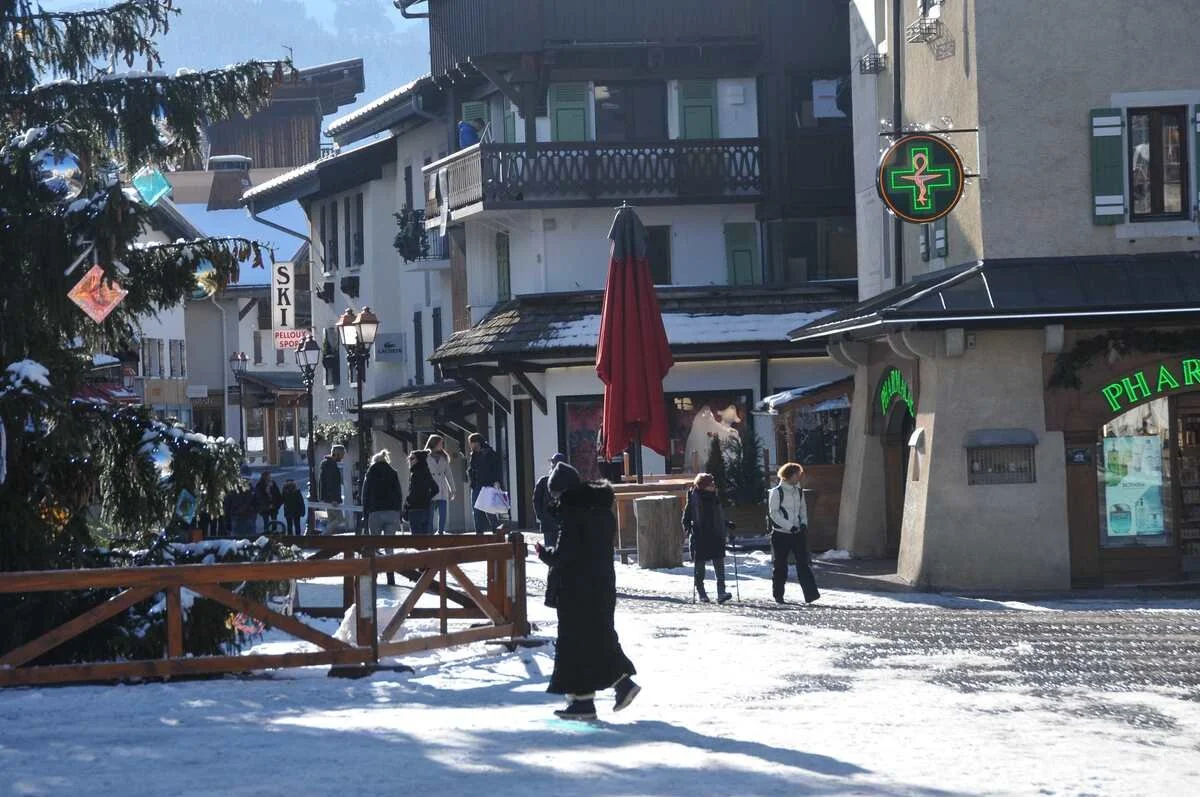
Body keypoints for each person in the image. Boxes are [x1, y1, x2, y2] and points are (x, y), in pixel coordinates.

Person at [536, 462, 640, 721]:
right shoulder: (601, 509)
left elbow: (565, 555)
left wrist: (544, 555)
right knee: (598, 637)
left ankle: (587, 700)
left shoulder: (572, 513)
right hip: (602, 585)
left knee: (576, 644)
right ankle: (612, 689)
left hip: (576, 589)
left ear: (560, 492)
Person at [767, 462, 820, 605]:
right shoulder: (776, 492)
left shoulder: (799, 491)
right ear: (789, 475)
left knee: (803, 564)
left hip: (798, 533)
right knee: (780, 566)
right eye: (797, 474)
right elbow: (774, 514)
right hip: (781, 534)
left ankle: (811, 595)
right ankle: (778, 595)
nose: (799, 476)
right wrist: (790, 527)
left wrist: (803, 524)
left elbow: (803, 509)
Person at [682, 473, 733, 604]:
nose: (714, 485)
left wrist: (726, 523)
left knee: (719, 565)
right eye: (711, 484)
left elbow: (717, 516)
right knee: (700, 567)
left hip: (716, 534)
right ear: (703, 486)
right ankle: (701, 592)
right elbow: (686, 519)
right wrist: (690, 530)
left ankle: (721, 592)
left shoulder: (715, 498)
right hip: (700, 536)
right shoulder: (694, 499)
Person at [467, 432, 504, 533]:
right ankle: (479, 532)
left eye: (471, 443)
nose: (470, 445)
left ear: (476, 443)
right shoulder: (473, 454)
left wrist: (496, 481)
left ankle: (496, 530)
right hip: (476, 485)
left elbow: (496, 468)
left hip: (487, 485)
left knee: (489, 509)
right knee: (476, 510)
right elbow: (472, 469)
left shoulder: (489, 453)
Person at [362, 450, 404, 534]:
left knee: (375, 543)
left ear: (374, 461)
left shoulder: (370, 473)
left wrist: (365, 514)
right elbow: (399, 495)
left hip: (375, 512)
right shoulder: (393, 473)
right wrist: (399, 513)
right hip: (392, 512)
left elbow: (365, 495)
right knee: (389, 543)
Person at [533, 453, 567, 548]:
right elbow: (536, 501)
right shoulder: (543, 481)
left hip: (564, 524)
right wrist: (541, 516)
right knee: (551, 550)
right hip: (548, 524)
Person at [425, 434, 456, 534]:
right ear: (434, 443)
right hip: (430, 490)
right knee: (430, 516)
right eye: (440, 443)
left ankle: (441, 532)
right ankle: (429, 535)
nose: (442, 445)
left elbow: (449, 474)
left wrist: (453, 489)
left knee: (443, 515)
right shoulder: (425, 457)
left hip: (442, 489)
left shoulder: (444, 457)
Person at [405, 450, 439, 534]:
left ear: (419, 460)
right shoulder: (426, 472)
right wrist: (427, 497)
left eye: (412, 458)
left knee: (417, 540)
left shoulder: (415, 474)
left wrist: (407, 503)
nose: (409, 460)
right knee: (424, 539)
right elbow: (436, 489)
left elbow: (413, 492)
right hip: (426, 508)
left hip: (415, 509)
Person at [319, 444, 347, 534]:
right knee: (339, 520)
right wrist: (334, 499)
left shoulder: (327, 464)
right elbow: (331, 483)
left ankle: (326, 540)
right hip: (332, 499)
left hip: (328, 498)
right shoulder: (331, 465)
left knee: (332, 521)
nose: (343, 457)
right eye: (342, 454)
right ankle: (323, 536)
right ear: (337, 454)